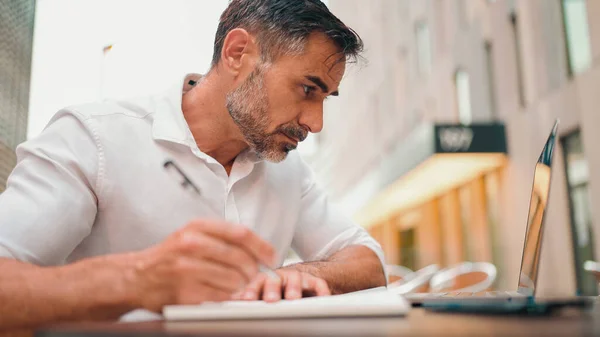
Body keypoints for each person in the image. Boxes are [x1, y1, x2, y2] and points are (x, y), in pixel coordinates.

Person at [0, 0, 386, 330]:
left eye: (325, 98)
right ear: (237, 53)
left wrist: (294, 276)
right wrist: (138, 281)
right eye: (307, 89)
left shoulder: (288, 170)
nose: (315, 124)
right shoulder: (92, 138)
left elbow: (368, 262)